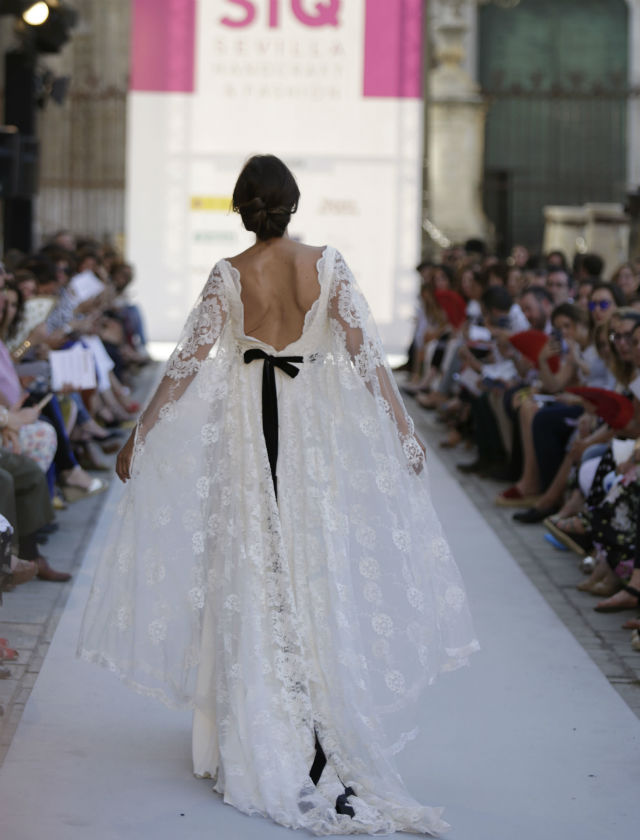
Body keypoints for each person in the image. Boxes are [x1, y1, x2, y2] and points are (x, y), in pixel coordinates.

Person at [77, 154, 478, 835]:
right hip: (309, 445)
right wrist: (403, 432)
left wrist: (139, 435)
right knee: (309, 569)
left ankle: (263, 725)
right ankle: (318, 723)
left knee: (254, 573)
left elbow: (184, 364)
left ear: (242, 208)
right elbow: (365, 360)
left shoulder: (229, 275)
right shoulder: (326, 265)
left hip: (246, 445)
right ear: (293, 204)